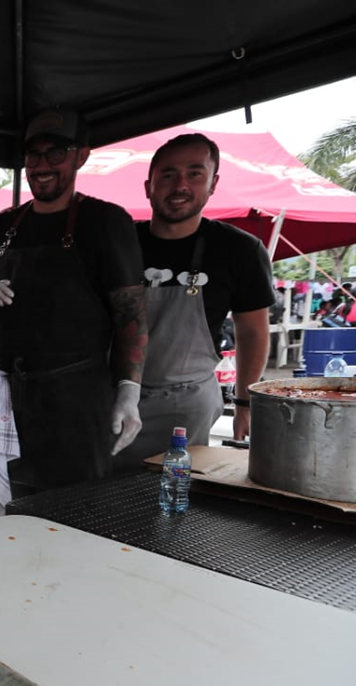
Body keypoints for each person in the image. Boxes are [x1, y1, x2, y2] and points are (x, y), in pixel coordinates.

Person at [0, 108, 146, 515]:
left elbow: (130, 313)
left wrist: (129, 390)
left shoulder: (106, 221)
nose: (41, 165)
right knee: (5, 512)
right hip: (4, 396)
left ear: (81, 156)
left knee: (75, 515)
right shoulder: (0, 228)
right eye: (33, 155)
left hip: (73, 402)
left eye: (55, 153)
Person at [114, 133, 274, 466]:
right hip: (114, 395)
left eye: (194, 173)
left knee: (173, 496)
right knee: (99, 496)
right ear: (149, 186)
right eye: (168, 174)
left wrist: (245, 403)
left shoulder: (239, 250)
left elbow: (252, 332)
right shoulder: (119, 243)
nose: (180, 185)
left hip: (187, 405)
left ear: (213, 183)